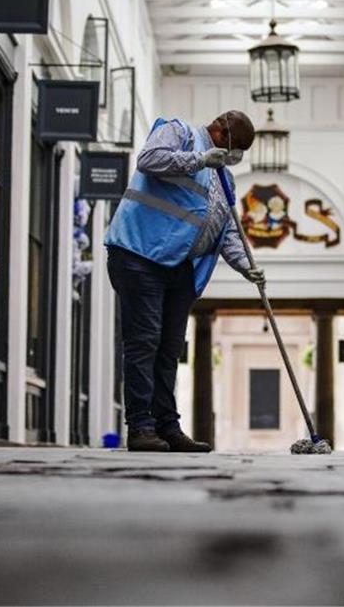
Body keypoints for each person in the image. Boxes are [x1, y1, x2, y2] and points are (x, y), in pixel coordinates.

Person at [104, 110, 264, 451]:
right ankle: (141, 427)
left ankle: (167, 427)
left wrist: (245, 266)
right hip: (139, 253)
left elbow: (227, 230)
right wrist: (198, 160)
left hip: (179, 266)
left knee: (170, 348)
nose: (238, 157)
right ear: (220, 131)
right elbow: (149, 160)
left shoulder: (225, 179)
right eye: (238, 148)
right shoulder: (179, 133)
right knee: (144, 341)